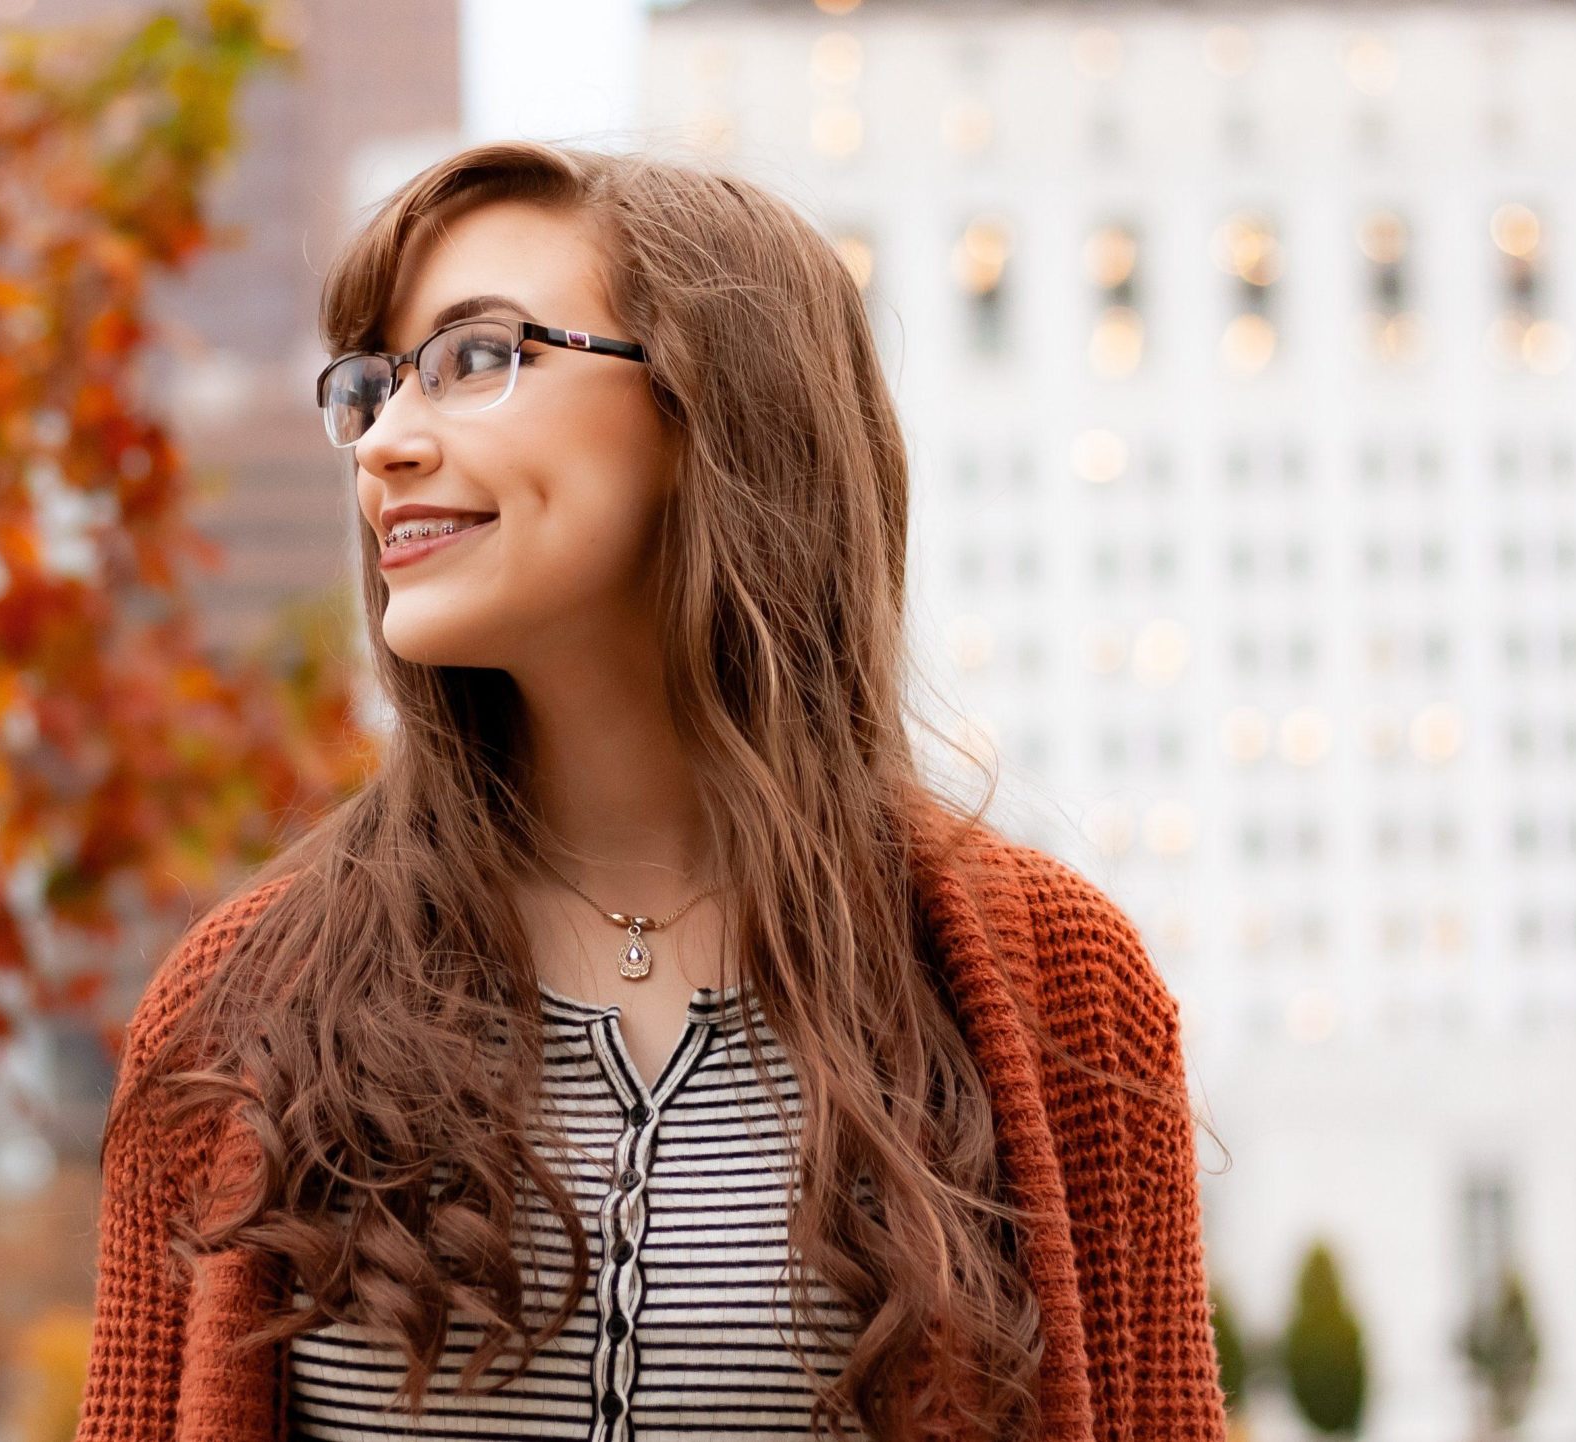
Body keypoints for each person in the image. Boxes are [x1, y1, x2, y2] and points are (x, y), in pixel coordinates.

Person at [72, 140, 1226, 1442]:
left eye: (476, 358)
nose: (386, 443)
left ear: (706, 409)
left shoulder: (1059, 985)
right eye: (374, 386)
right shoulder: (237, 1003)